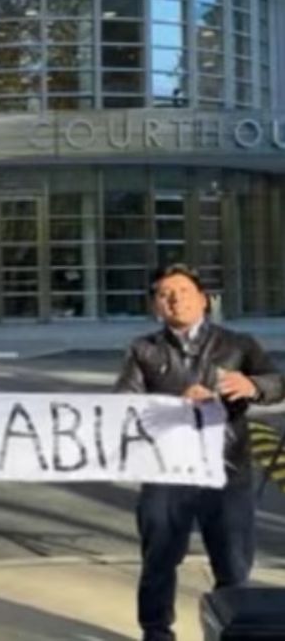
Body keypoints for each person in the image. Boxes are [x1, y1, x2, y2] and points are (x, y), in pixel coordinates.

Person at [115, 263, 285, 641]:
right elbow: (124, 404)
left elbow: (277, 384)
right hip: (166, 472)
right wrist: (175, 403)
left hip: (227, 471)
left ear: (203, 300)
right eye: (165, 294)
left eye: (184, 291)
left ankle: (233, 631)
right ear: (156, 306)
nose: (175, 299)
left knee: (234, 564)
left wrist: (252, 385)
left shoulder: (239, 344)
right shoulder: (144, 349)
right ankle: (156, 633)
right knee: (158, 561)